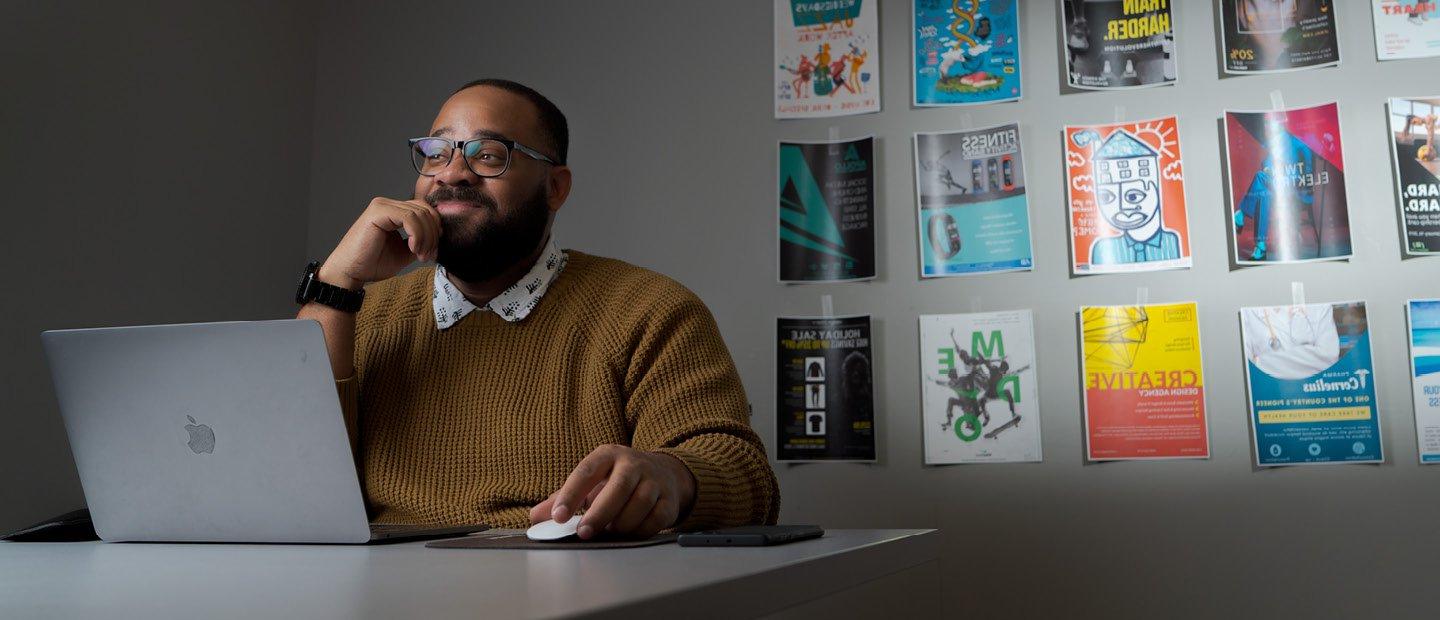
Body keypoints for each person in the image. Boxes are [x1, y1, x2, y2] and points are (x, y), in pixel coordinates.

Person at [295, 79, 779, 539]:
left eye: (488, 155)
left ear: (555, 188)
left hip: (572, 585)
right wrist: (336, 284)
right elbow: (287, 479)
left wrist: (673, 474)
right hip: (382, 591)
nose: (452, 173)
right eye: (435, 153)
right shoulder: (359, 313)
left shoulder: (649, 311)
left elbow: (747, 477)